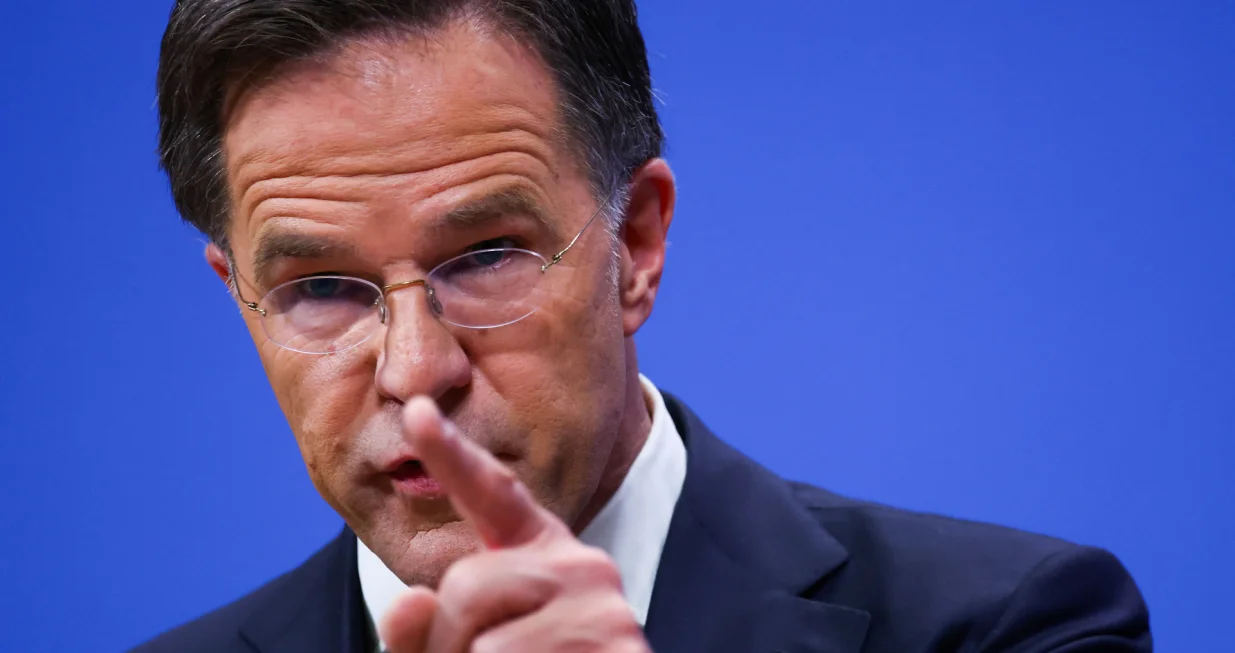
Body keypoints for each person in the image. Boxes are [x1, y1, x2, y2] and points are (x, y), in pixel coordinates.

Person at [134, 1, 1153, 651]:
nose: (414, 370)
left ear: (636, 244)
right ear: (239, 295)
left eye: (486, 255)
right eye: (321, 286)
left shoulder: (1018, 624)